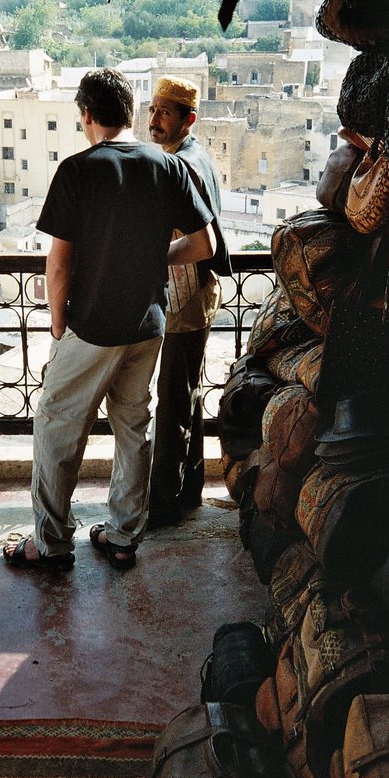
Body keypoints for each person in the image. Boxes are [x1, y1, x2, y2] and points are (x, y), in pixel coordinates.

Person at [3, 68, 215, 572]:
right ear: (128, 112)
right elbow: (205, 243)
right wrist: (150, 259)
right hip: (148, 324)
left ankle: (51, 545)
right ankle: (122, 537)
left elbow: (58, 264)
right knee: (133, 427)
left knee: (57, 426)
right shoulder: (167, 166)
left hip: (93, 325)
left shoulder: (78, 170)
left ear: (88, 115)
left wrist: (58, 325)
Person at [147, 76, 232, 529]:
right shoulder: (189, 156)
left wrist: (153, 260)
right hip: (196, 294)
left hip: (187, 296)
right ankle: (188, 488)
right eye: (153, 109)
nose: (154, 119)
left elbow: (203, 243)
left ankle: (163, 502)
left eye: (165, 112)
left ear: (188, 119)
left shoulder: (183, 164)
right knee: (187, 395)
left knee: (174, 401)